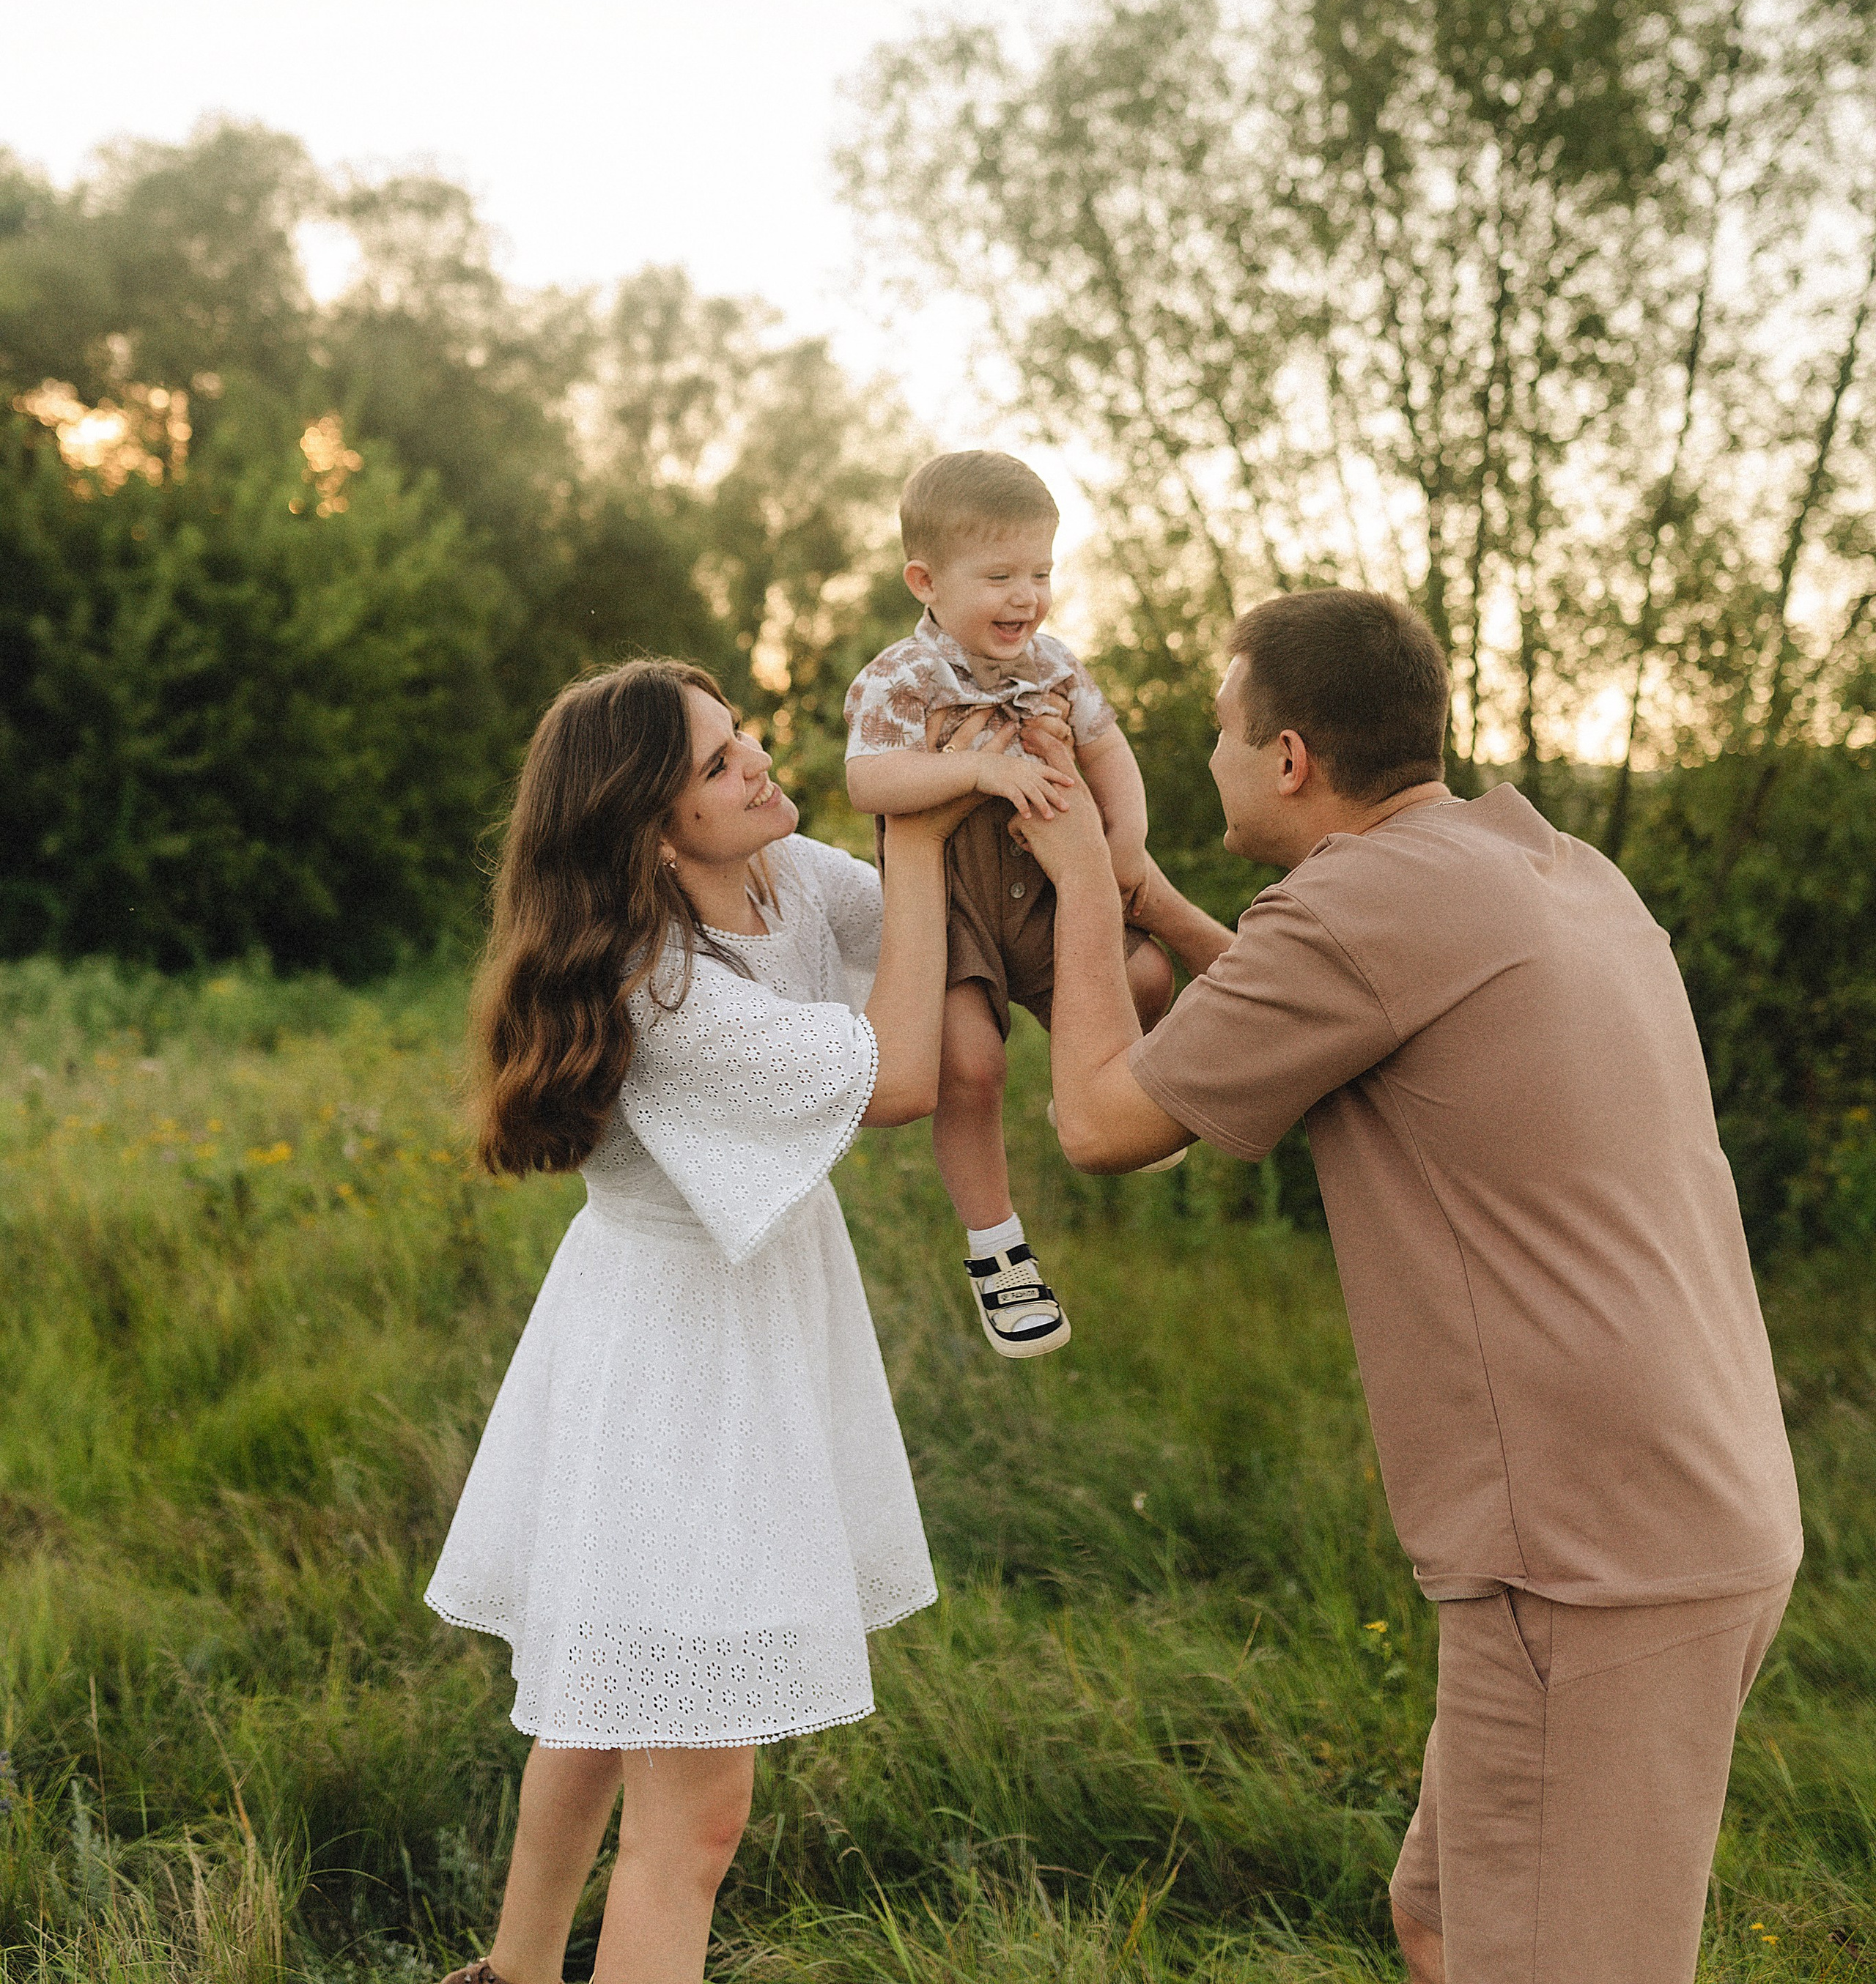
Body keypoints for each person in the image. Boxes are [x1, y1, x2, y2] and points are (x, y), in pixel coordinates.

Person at [1013, 588, 1802, 1984]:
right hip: (1687, 1500)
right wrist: (1157, 904)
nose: (1208, 757)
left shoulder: (1360, 905)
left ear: (1290, 756)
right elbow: (1329, 1003)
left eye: (1221, 730)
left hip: (1584, 1557)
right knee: (1442, 1923)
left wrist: (1081, 878)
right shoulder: (1540, 861)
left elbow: (1099, 1120)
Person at [427, 659, 970, 1984]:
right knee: (700, 1808)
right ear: (653, 832)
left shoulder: (774, 876)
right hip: (677, 1364)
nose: (759, 763)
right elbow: (900, 1074)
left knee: (608, 1691)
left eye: (744, 737)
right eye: (719, 765)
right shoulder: (660, 989)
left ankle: (510, 1974)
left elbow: (924, 928)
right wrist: (917, 829)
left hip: (722, 1327)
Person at [843, 450, 1175, 1358]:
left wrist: (1126, 839)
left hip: (1045, 890)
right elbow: (870, 780)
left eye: (1041, 572)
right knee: (971, 1063)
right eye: (999, 576)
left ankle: (1101, 1098)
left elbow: (1107, 750)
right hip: (951, 904)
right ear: (925, 581)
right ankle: (998, 1251)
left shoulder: (1055, 664)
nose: (1026, 596)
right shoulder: (901, 678)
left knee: (1146, 973)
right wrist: (977, 770)